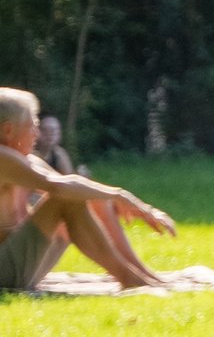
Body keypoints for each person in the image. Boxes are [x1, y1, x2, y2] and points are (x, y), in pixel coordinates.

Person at [0, 87, 176, 291]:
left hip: (18, 263)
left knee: (85, 195)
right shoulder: (3, 158)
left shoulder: (23, 160)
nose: (37, 134)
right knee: (66, 198)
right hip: (5, 271)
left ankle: (139, 273)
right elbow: (60, 187)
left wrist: (126, 203)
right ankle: (129, 278)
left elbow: (78, 188)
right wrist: (119, 195)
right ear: (8, 130)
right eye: (32, 126)